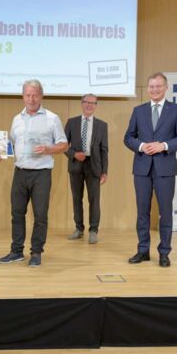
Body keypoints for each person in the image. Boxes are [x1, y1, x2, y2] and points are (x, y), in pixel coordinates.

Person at [0, 79, 68, 267]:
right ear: (23, 96)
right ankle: (16, 251)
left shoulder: (52, 118)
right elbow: (12, 144)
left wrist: (49, 149)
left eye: (35, 95)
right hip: (20, 172)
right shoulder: (16, 119)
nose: (31, 99)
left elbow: (63, 144)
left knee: (40, 215)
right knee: (17, 213)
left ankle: (36, 252)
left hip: (41, 173)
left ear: (41, 96)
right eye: (28, 95)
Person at [124, 72, 177, 267]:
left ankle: (164, 253)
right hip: (142, 169)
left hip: (165, 169)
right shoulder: (138, 110)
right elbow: (128, 137)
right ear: (148, 88)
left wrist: (164, 146)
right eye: (151, 86)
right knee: (142, 212)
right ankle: (143, 250)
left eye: (158, 86)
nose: (155, 90)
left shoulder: (176, 110)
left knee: (165, 212)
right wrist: (141, 146)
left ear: (166, 87)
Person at [64, 94, 108, 244]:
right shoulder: (72, 122)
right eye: (87, 102)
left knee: (94, 200)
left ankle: (93, 230)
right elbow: (63, 145)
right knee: (77, 199)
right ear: (82, 103)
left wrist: (104, 171)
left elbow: (104, 150)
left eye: (93, 103)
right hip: (76, 165)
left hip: (94, 166)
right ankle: (79, 229)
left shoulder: (102, 125)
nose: (89, 105)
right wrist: (74, 154)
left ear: (96, 105)